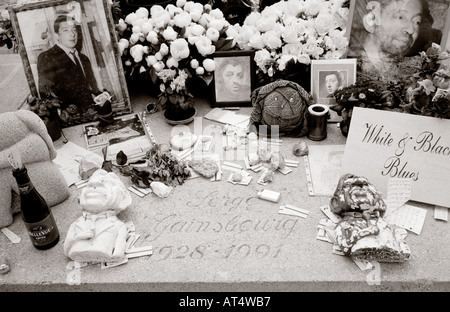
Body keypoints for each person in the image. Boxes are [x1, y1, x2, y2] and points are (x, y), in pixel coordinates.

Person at [347, 0, 441, 80]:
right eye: (400, 17)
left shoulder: (416, 74)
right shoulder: (349, 66)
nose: (411, 30)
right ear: (371, 20)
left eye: (417, 22)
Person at [37, 14, 100, 118]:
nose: (72, 34)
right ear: (57, 35)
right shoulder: (46, 57)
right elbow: (46, 95)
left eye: (74, 30)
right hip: (69, 119)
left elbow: (91, 89)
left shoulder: (84, 59)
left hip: (92, 114)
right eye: (66, 30)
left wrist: (102, 96)